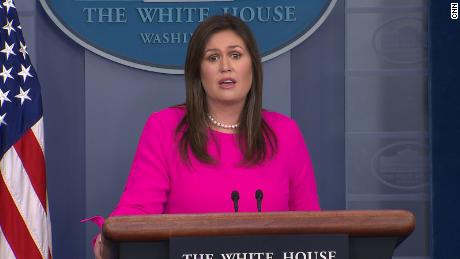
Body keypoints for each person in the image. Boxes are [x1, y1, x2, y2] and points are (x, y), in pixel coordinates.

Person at [88, 14, 320, 258]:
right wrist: (112, 241)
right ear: (198, 71)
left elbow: (310, 226)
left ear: (253, 66)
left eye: (236, 55)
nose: (225, 66)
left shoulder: (285, 133)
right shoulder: (165, 128)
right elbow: (138, 209)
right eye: (213, 57)